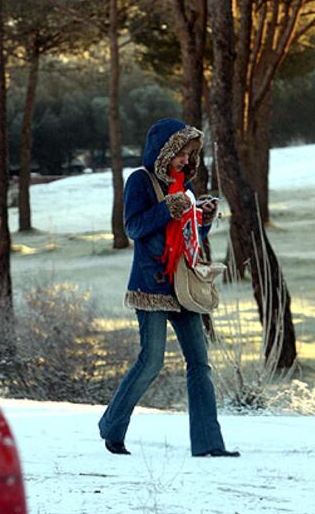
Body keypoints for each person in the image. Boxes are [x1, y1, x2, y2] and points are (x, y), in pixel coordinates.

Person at [98, 118, 240, 457]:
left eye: (189, 154)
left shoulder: (185, 189)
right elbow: (133, 227)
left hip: (184, 286)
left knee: (199, 364)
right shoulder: (140, 181)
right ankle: (112, 427)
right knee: (151, 361)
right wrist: (167, 209)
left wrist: (201, 220)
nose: (185, 160)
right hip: (151, 286)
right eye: (180, 153)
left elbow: (189, 240)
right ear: (163, 151)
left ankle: (208, 444)